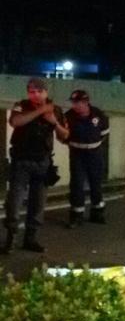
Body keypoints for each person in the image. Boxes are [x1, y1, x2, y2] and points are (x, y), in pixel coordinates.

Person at [3, 77, 69, 253]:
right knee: (14, 200)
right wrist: (40, 111)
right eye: (32, 91)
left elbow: (65, 136)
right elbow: (15, 122)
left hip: (43, 161)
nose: (35, 95)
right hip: (21, 160)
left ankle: (30, 238)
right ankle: (10, 237)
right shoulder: (22, 105)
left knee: (38, 202)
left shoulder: (55, 110)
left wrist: (53, 121)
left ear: (46, 92)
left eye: (39, 91)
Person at [64, 90, 110, 228]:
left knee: (96, 183)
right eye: (73, 103)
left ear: (86, 102)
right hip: (77, 153)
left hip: (95, 153)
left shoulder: (98, 114)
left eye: (78, 103)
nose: (75, 106)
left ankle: (98, 212)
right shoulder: (68, 116)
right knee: (77, 184)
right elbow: (64, 136)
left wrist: (93, 144)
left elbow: (104, 133)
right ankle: (77, 215)